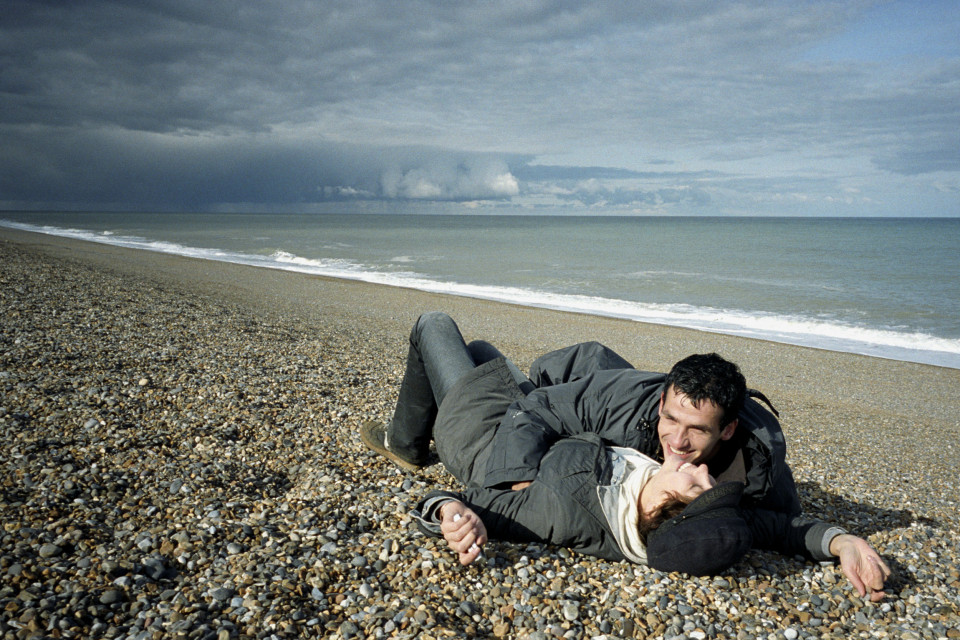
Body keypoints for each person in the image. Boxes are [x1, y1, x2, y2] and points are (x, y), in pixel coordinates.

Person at [362, 312, 890, 591]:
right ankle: (440, 407)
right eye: (671, 420)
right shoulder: (631, 407)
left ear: (728, 431)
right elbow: (780, 528)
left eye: (696, 434)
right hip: (526, 417)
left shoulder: (574, 512)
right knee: (481, 354)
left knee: (435, 325)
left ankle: (404, 443)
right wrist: (841, 541)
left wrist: (485, 498)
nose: (677, 445)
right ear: (661, 400)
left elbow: (464, 504)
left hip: (478, 433)